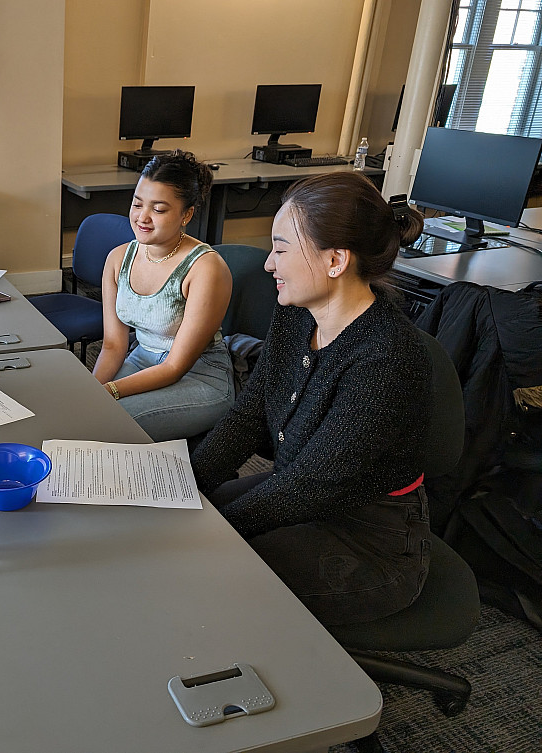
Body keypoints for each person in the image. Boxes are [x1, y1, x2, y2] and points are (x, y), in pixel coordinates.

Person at [190, 171, 431, 627]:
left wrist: (198, 537)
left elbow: (308, 488)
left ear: (336, 260)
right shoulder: (298, 316)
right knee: (200, 515)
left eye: (281, 249)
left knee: (205, 570)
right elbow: (250, 416)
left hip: (369, 540)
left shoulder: (387, 358)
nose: (268, 264)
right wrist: (182, 489)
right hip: (298, 491)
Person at [91, 150, 234, 441]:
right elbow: (112, 346)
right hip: (141, 359)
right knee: (82, 411)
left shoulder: (205, 268)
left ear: (187, 215)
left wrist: (111, 391)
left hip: (199, 375)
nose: (142, 217)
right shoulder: (118, 258)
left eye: (158, 209)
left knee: (111, 425)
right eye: (137, 204)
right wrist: (91, 391)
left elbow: (175, 366)